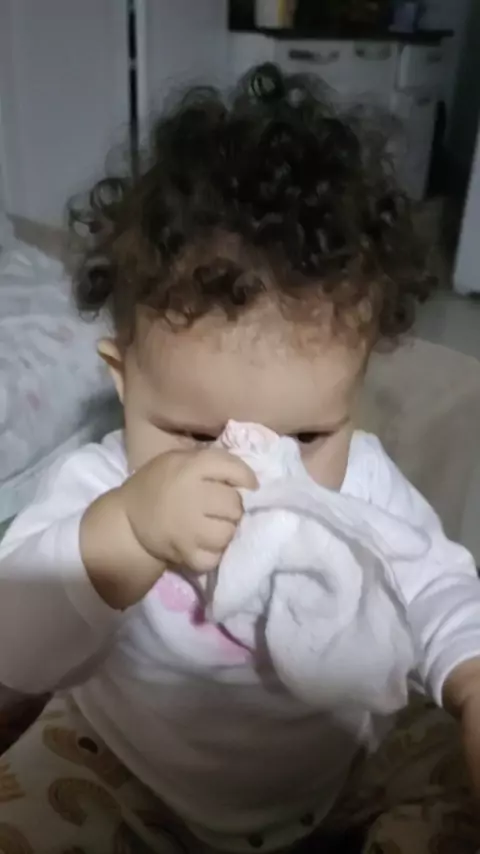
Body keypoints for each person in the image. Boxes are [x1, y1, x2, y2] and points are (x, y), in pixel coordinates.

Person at [0, 64, 480, 854]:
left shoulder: (362, 482)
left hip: (336, 768)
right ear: (123, 380)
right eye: (197, 435)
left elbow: (437, 584)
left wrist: (468, 677)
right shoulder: (101, 484)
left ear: (354, 397)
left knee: (448, 777)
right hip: (127, 768)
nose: (255, 472)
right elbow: (15, 646)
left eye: (306, 438)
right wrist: (125, 535)